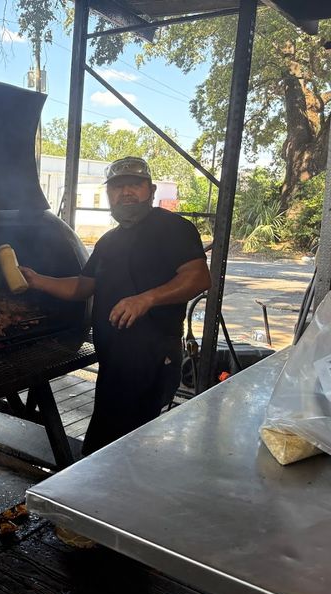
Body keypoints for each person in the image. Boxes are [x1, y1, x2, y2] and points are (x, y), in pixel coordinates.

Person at [20, 156, 211, 456]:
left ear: (151, 189)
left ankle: (115, 497)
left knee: (125, 448)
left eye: (135, 184)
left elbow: (198, 277)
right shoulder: (109, 241)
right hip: (114, 362)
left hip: (151, 360)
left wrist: (146, 298)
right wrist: (38, 280)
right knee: (107, 444)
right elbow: (84, 285)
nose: (126, 192)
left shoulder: (172, 228)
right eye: (118, 186)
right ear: (109, 194)